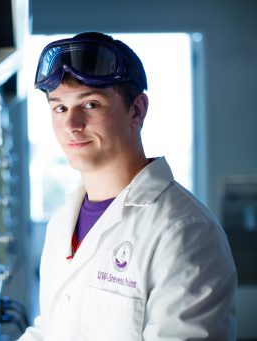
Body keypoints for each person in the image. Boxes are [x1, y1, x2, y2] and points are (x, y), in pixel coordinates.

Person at [19, 32, 236, 340]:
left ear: (136, 111)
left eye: (91, 104)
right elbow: (51, 328)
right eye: (59, 108)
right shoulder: (62, 222)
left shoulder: (184, 231)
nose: (71, 125)